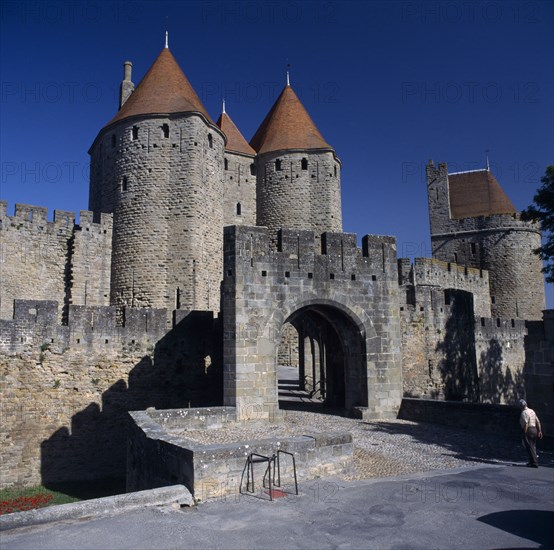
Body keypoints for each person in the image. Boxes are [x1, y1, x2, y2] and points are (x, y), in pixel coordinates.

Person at [519, 399, 543, 467]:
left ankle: (534, 463)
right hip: (534, 429)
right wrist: (540, 431)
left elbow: (526, 424)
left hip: (529, 430)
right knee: (533, 446)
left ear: (521, 406)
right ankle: (531, 461)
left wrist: (524, 433)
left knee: (529, 447)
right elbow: (538, 421)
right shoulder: (532, 411)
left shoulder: (524, 413)